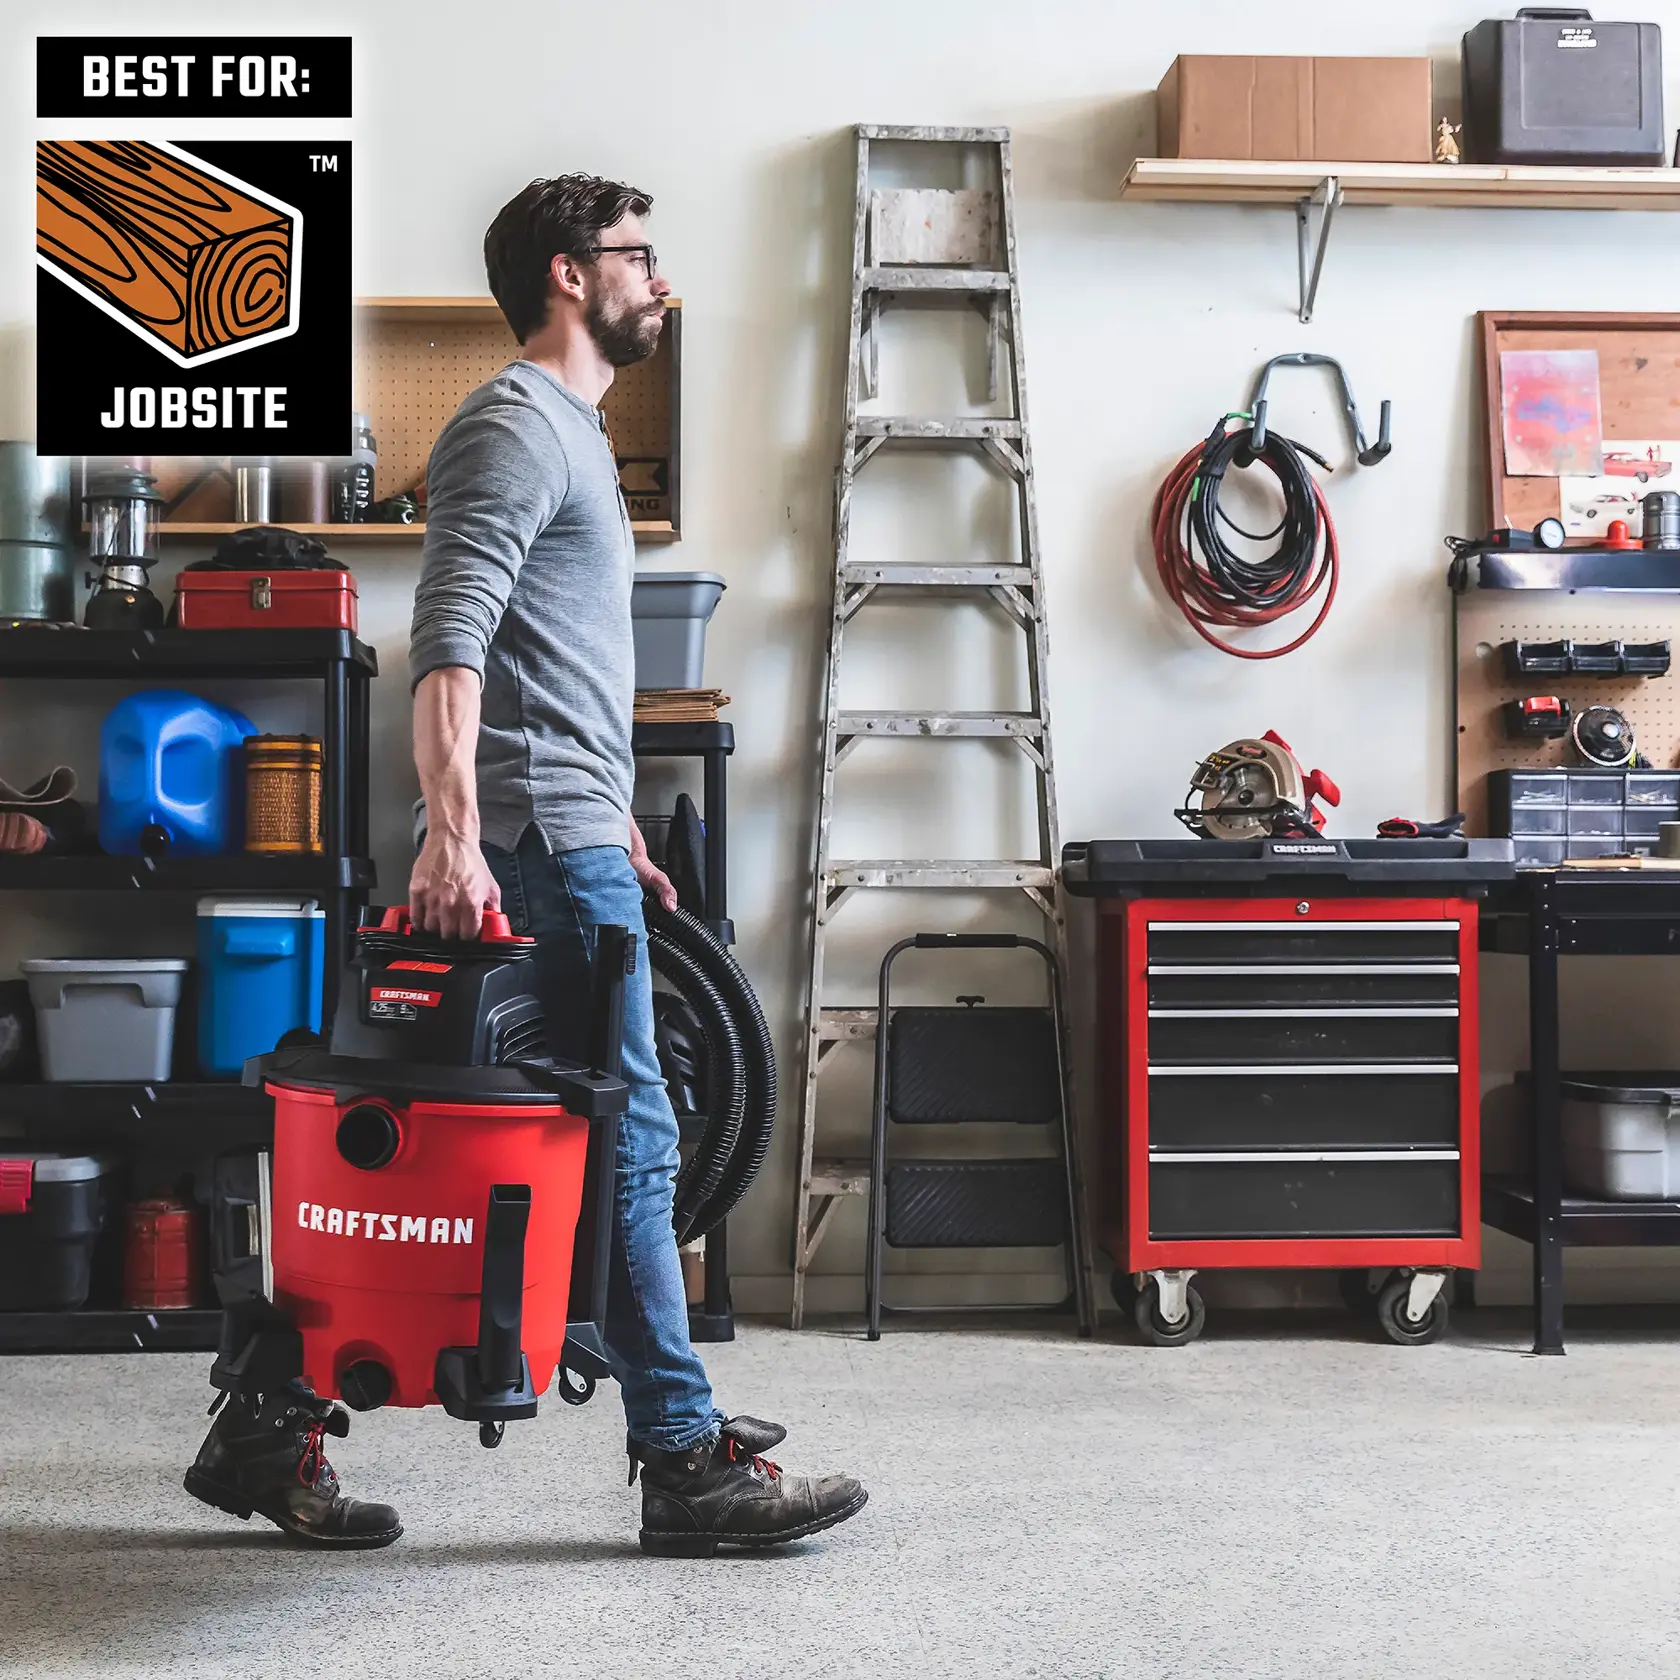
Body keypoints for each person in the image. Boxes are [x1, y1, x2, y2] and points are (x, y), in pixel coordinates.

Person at [184, 175, 865, 1558]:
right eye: (638, 257)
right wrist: (451, 832)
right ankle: (682, 1460)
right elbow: (451, 641)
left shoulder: (571, 435)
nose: (659, 280)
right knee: (626, 1144)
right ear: (571, 274)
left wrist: (612, 816)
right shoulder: (511, 426)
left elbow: (551, 669)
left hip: (567, 836)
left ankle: (268, 1426)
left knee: (486, 1154)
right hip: (528, 853)